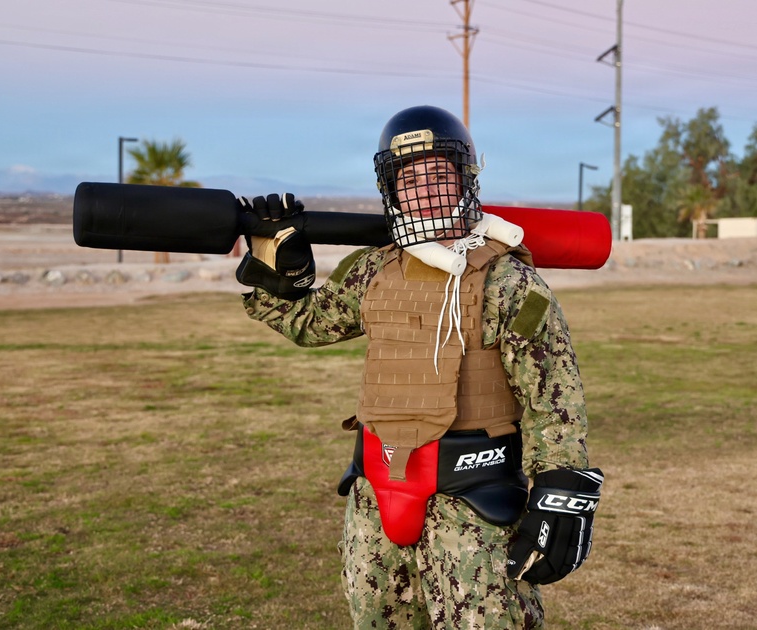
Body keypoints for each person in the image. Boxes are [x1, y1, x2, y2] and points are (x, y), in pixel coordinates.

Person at [238, 105, 602, 629]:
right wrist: (276, 272)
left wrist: (560, 495)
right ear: (392, 189)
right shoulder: (373, 269)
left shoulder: (509, 283)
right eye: (410, 178)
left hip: (472, 506)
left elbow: (553, 402)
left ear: (465, 181)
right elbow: (309, 324)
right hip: (374, 494)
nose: (425, 190)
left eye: (438, 175)